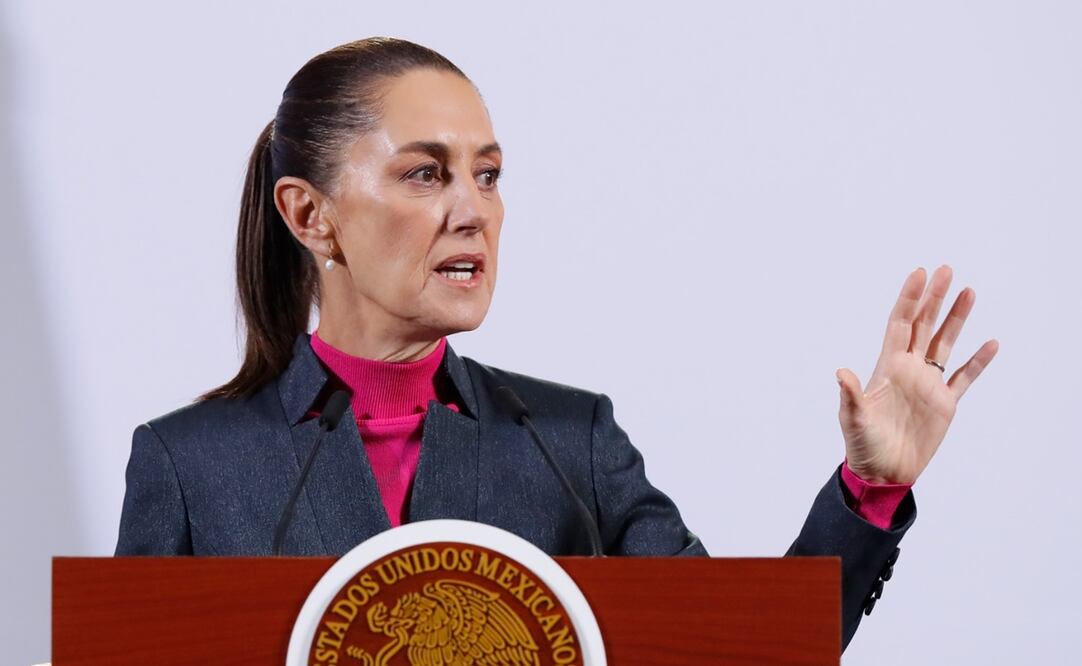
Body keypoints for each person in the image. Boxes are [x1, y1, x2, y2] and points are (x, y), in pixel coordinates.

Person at [114, 37, 998, 651]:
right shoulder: (188, 465)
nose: (474, 210)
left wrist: (872, 487)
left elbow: (751, 648)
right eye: (425, 173)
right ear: (310, 215)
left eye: (488, 175)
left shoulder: (569, 442)